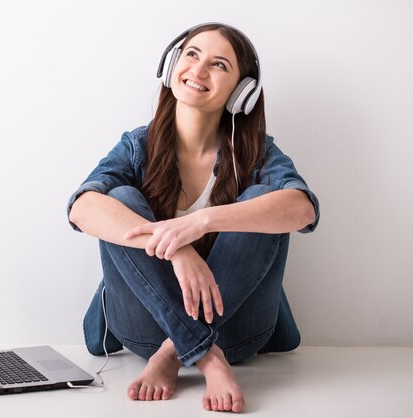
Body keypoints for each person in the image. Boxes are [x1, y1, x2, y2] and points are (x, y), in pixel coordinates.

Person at [66, 22, 319, 413]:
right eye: (191, 55)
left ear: (242, 93)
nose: (199, 70)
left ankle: (176, 351)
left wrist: (203, 221)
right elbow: (82, 208)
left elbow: (301, 208)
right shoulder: (136, 146)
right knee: (119, 199)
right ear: (171, 65)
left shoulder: (256, 153)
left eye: (219, 64)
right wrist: (179, 250)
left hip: (235, 332)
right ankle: (206, 356)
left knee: (264, 202)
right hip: (144, 329)